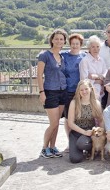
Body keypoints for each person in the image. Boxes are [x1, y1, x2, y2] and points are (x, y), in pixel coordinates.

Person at [37, 28, 68, 159]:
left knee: (57, 123)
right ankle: (44, 148)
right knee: (53, 123)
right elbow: (39, 75)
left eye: (61, 39)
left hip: (62, 91)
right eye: (56, 38)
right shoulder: (44, 55)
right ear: (52, 40)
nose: (59, 41)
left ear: (64, 41)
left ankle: (53, 147)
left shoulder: (62, 56)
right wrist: (41, 92)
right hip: (50, 91)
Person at [67, 79, 104, 163]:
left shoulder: (96, 103)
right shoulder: (74, 103)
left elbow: (101, 121)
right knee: (75, 159)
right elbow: (70, 123)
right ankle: (81, 150)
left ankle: (92, 149)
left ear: (90, 89)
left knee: (82, 143)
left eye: (86, 89)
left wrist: (100, 136)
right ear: (78, 91)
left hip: (89, 133)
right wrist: (83, 132)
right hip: (76, 132)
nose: (84, 92)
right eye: (81, 90)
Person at [61, 33, 86, 143]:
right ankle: (70, 142)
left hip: (82, 91)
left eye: (77, 43)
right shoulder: (64, 56)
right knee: (68, 118)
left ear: (81, 44)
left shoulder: (85, 56)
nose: (75, 46)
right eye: (72, 44)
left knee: (82, 116)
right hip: (68, 91)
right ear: (69, 44)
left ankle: (82, 140)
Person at [79, 35, 107, 101]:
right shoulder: (85, 61)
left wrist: (95, 76)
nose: (95, 49)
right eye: (93, 47)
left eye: (97, 47)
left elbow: (105, 74)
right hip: (89, 93)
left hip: (101, 92)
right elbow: (84, 80)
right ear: (89, 48)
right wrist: (97, 81)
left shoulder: (102, 60)